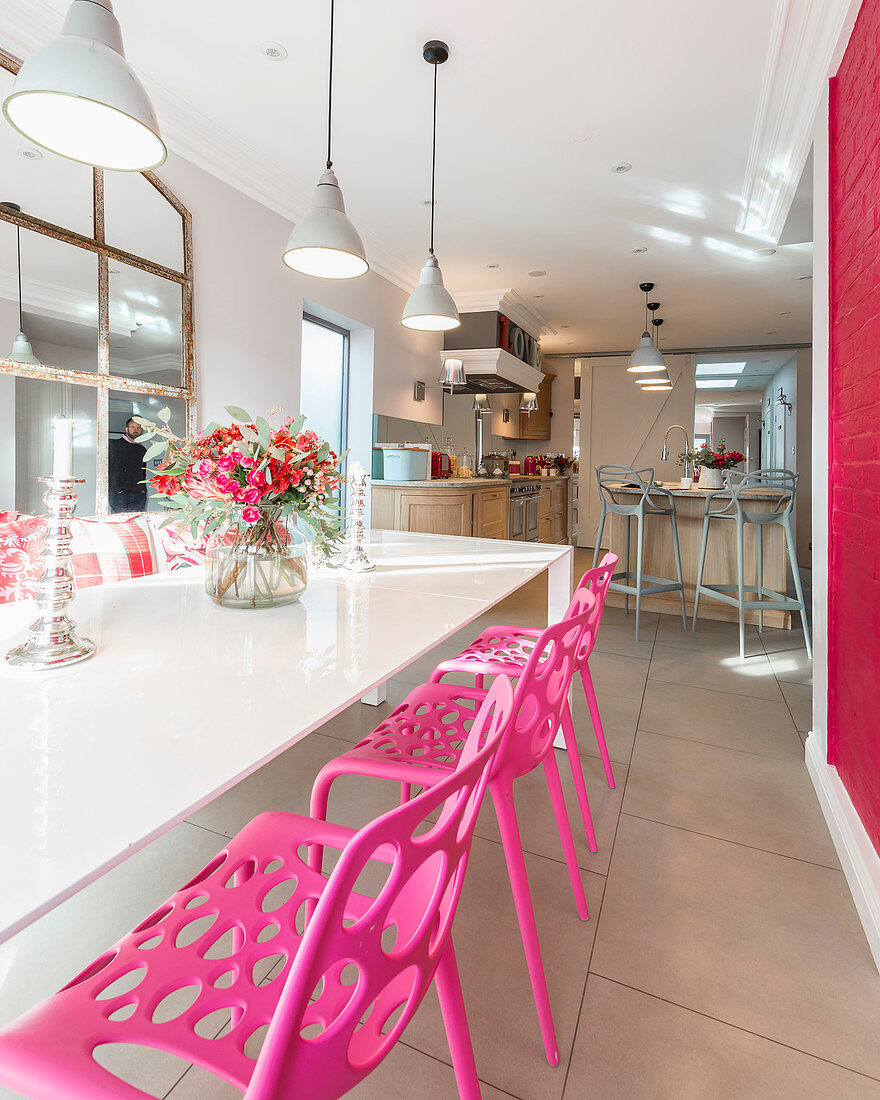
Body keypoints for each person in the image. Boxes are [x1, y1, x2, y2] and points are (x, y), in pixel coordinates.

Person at [108, 417, 147, 513]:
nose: (136, 430)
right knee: (120, 525)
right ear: (126, 429)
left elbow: (143, 472)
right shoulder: (114, 445)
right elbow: (110, 469)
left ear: (141, 430)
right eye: (132, 427)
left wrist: (143, 489)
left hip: (139, 495)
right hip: (120, 495)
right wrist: (117, 490)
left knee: (137, 523)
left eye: (138, 428)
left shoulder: (142, 449)